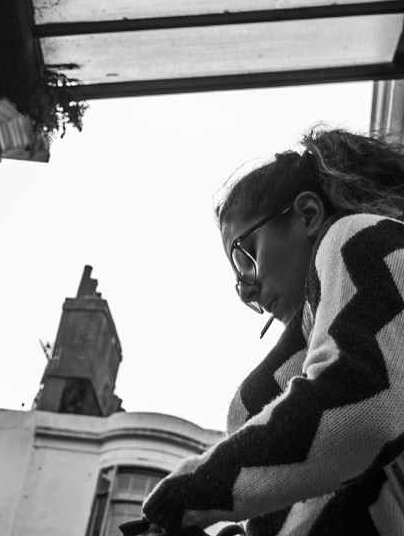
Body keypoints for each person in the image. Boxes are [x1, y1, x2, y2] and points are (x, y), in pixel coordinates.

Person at [141, 128, 404, 536]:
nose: (246, 289)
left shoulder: (361, 237)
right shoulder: (318, 330)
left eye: (244, 256)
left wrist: (192, 492)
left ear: (308, 214)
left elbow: (360, 406)